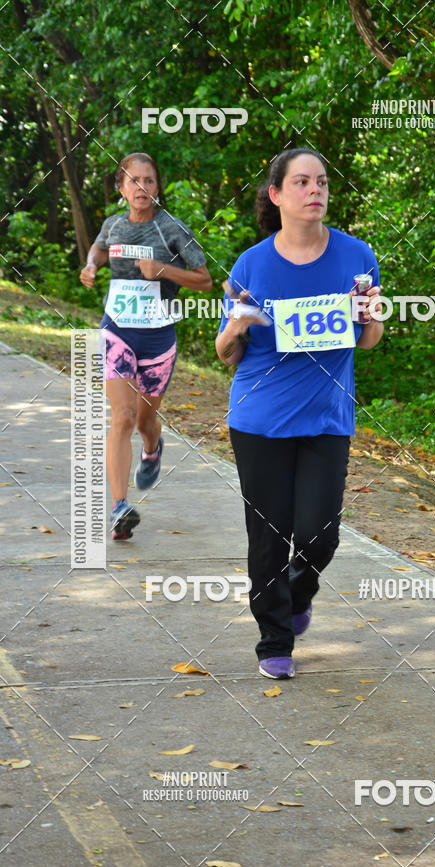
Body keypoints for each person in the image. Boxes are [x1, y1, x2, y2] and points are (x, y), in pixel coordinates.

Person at [216, 148, 383, 679]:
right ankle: (273, 641)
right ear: (277, 194)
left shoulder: (357, 256)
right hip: (260, 419)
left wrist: (370, 315)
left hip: (327, 417)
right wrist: (238, 325)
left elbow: (370, 339)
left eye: (323, 182)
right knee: (268, 534)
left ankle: (296, 591)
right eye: (303, 182)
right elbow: (226, 353)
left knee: (319, 533)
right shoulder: (252, 264)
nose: (316, 190)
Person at [80, 152, 212, 539]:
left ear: (158, 187)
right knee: (120, 416)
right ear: (122, 188)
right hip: (117, 329)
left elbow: (203, 279)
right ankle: (120, 508)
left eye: (149, 181)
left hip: (158, 336)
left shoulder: (170, 229)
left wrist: (164, 271)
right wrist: (91, 266)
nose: (142, 188)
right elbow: (99, 248)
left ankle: (152, 448)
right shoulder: (114, 225)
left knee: (143, 420)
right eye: (134, 181)